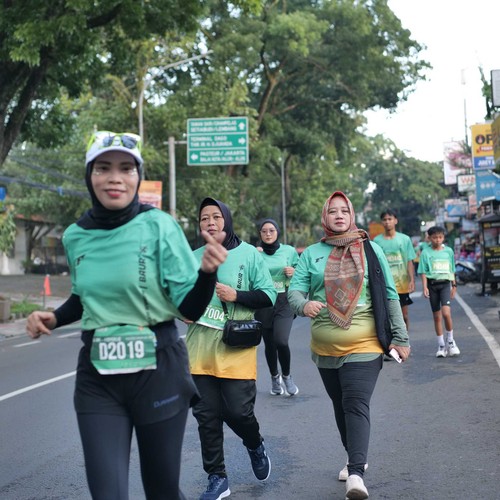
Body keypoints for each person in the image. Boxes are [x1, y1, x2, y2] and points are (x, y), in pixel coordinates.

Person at [26, 131, 228, 500]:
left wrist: (207, 274)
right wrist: (53, 318)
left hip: (159, 371)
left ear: (138, 176)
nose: (115, 178)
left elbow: (189, 309)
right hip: (98, 378)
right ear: (90, 175)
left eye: (126, 168)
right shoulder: (75, 236)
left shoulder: (159, 226)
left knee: (162, 491)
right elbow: (84, 297)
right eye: (103, 168)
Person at [288, 191, 410, 500]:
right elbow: (295, 291)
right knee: (340, 405)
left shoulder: (371, 249)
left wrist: (401, 337)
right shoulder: (311, 254)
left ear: (352, 215)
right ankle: (354, 455)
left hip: (365, 342)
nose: (339, 215)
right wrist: (303, 305)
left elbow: (389, 294)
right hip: (325, 348)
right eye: (333, 211)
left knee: (355, 403)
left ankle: (356, 474)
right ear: (325, 217)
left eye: (344, 210)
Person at [186, 198, 277, 500]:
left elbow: (268, 296)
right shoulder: (192, 257)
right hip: (199, 351)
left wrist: (236, 295)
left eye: (216, 216)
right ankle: (217, 478)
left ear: (226, 219)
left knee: (238, 413)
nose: (210, 222)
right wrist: (181, 310)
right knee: (207, 418)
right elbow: (177, 298)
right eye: (204, 218)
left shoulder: (249, 254)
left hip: (236, 349)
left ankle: (254, 444)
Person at [255, 218, 300, 396]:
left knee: (281, 340)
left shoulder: (289, 251)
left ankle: (287, 376)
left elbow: (302, 273)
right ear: (260, 234)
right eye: (264, 231)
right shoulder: (255, 254)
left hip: (284, 301)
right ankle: (275, 377)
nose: (268, 234)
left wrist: (294, 272)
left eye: (271, 230)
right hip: (264, 302)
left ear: (277, 232)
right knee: (269, 344)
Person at [417, 226, 460, 358]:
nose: (437, 240)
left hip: (445, 284)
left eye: (440, 237)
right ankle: (441, 345)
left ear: (443, 237)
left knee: (446, 313)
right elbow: (423, 272)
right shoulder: (425, 253)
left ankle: (451, 341)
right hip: (432, 285)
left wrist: (454, 285)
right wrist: (425, 287)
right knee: (437, 316)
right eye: (435, 237)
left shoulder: (448, 251)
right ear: (429, 238)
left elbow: (452, 269)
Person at [373, 209, 416, 333]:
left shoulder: (405, 239)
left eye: (390, 219)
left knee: (404, 316)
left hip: (402, 284)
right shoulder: (376, 241)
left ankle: (404, 339)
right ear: (382, 222)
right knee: (387, 318)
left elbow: (409, 261)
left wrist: (412, 280)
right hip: (385, 285)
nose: (387, 222)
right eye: (384, 220)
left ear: (395, 221)